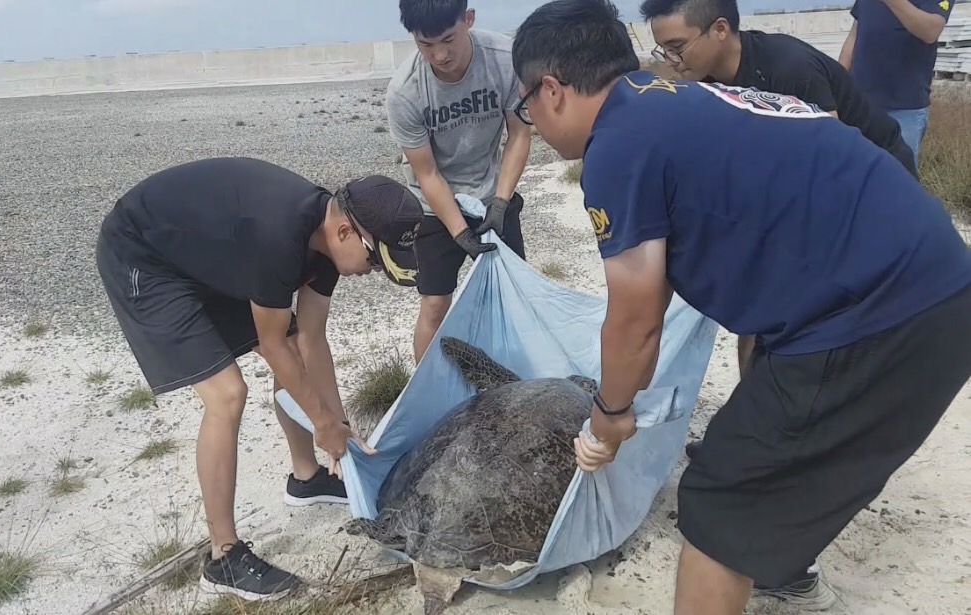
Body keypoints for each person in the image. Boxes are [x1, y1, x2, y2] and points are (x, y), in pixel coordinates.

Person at [510, 2, 971, 615]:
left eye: (527, 107)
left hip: (882, 311)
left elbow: (636, 321)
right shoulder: (669, 100)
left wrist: (609, 416)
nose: (533, 124)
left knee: (717, 507)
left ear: (552, 89)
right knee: (753, 453)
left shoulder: (617, 146)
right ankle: (782, 564)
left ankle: (767, 561)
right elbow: (659, 283)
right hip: (925, 275)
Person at [95, 157, 424, 601]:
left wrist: (338, 428)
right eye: (375, 260)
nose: (373, 272)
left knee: (293, 347)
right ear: (347, 232)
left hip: (202, 254)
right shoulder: (279, 238)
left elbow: (310, 339)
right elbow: (272, 347)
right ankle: (223, 558)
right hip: (142, 254)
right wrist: (322, 423)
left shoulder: (327, 235)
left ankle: (307, 478)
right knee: (228, 394)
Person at [386, 0, 534, 364]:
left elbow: (519, 134)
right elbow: (427, 173)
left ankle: (517, 374)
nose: (439, 55)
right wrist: (459, 232)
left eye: (448, 39)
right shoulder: (405, 91)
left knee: (512, 293)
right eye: (425, 44)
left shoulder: (505, 59)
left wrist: (501, 201)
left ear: (468, 19)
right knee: (435, 303)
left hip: (492, 191)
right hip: (434, 204)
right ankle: (426, 389)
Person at [642, 0, 918, 179]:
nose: (670, 60)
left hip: (879, 171)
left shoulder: (788, 68)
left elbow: (831, 154)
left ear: (721, 29)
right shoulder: (705, 80)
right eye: (663, 50)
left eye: (677, 47)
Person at [840, 0, 955, 166]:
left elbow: (930, 31)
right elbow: (854, 36)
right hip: (860, 105)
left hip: (904, 109)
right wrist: (838, 83)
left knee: (899, 174)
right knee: (856, 171)